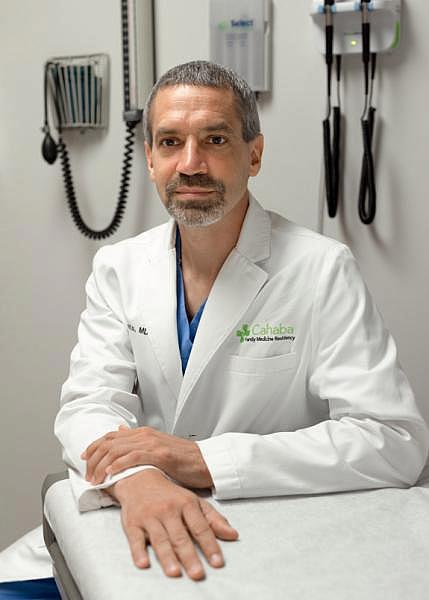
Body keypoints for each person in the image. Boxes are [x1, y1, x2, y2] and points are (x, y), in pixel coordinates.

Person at [1, 60, 428, 594]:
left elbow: (392, 440)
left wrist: (202, 459)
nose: (191, 163)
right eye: (170, 142)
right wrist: (137, 477)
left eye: (216, 139)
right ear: (151, 162)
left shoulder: (320, 268)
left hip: (268, 523)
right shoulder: (119, 267)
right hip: (134, 511)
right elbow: (89, 405)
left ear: (254, 154)